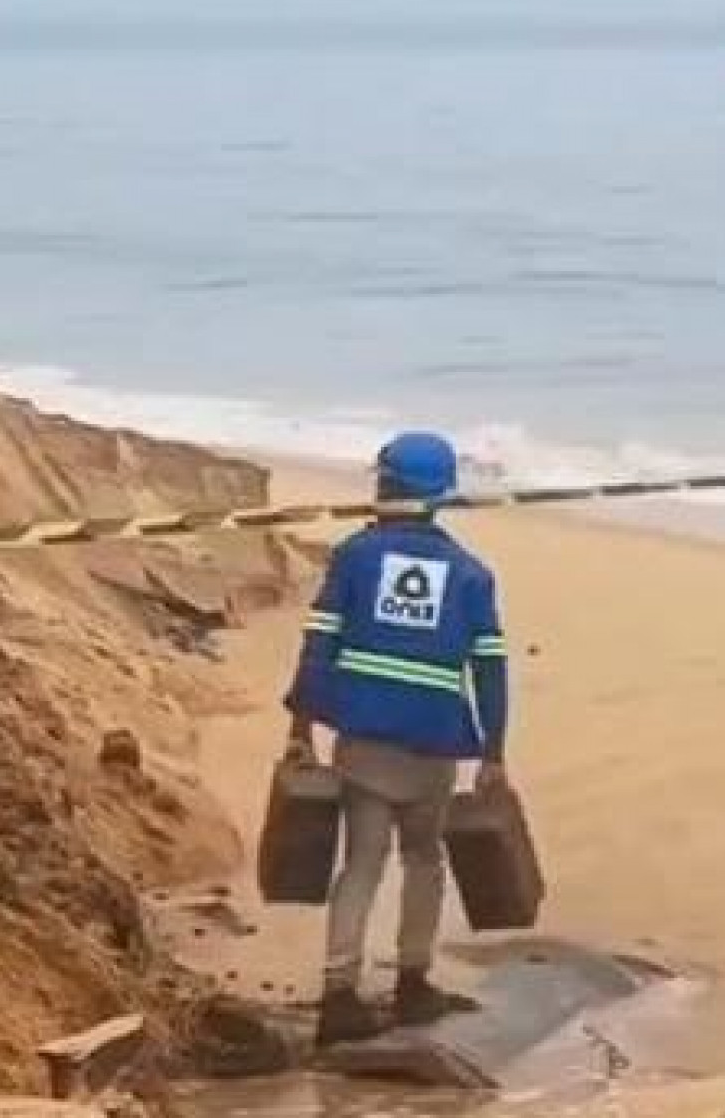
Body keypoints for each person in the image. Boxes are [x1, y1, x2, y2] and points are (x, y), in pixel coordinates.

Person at [283, 430, 512, 1048]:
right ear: (442, 495)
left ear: (383, 484)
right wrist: (493, 751)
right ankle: (413, 984)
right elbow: (489, 667)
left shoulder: (355, 557)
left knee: (360, 862)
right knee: (423, 858)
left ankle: (339, 994)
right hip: (433, 741)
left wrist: (300, 727)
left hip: (363, 738)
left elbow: (319, 645)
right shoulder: (471, 575)